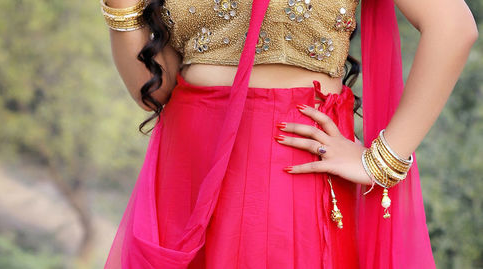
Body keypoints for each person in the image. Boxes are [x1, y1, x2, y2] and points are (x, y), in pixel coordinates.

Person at [101, 0, 477, 268]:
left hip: (284, 165)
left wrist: (381, 159)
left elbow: (453, 28)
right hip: (185, 177)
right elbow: (154, 92)